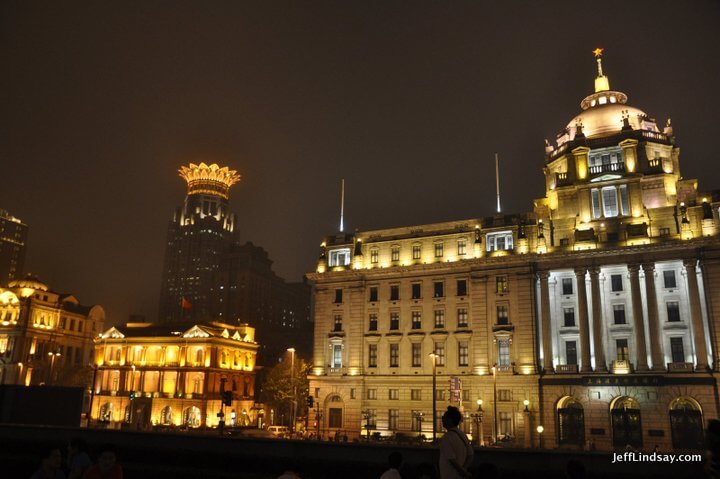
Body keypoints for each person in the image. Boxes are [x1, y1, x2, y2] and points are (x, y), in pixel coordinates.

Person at [438, 406, 473, 479]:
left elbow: (452, 460)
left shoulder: (447, 437)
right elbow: (470, 455)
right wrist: (464, 469)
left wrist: (462, 471)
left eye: (444, 417)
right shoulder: (463, 435)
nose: (442, 420)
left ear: (450, 420)